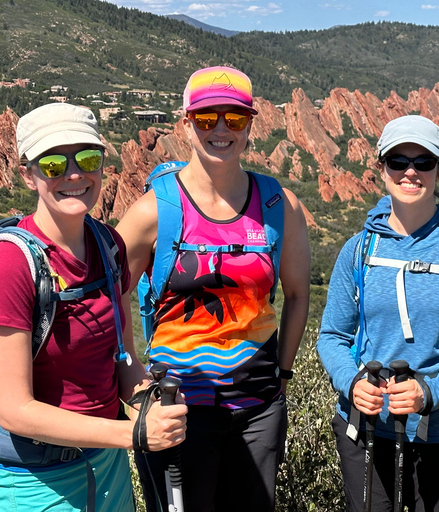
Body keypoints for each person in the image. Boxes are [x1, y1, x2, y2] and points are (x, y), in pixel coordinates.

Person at [0, 102, 187, 512]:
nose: (74, 174)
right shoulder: (9, 265)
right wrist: (135, 435)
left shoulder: (109, 246)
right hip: (37, 481)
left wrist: (149, 402)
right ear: (27, 174)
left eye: (87, 158)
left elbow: (123, 360)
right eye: (53, 163)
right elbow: (15, 410)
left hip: (105, 463)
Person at [116, 65, 310, 512]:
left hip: (259, 408)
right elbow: (110, 295)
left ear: (250, 124)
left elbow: (298, 295)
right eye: (206, 118)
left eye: (234, 118)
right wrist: (134, 380)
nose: (220, 129)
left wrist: (281, 375)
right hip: (176, 409)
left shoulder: (279, 205)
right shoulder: (155, 211)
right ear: (186, 124)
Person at [316, 115, 439, 512]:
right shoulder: (358, 250)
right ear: (381, 167)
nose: (410, 172)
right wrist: (352, 383)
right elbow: (332, 336)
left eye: (423, 162)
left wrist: (429, 393)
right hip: (366, 431)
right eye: (398, 161)